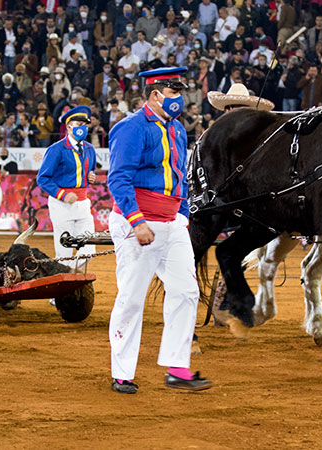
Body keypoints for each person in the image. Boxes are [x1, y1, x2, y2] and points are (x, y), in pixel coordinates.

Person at [107, 67, 213, 394]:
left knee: (185, 291)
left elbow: (180, 175)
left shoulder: (178, 129)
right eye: (173, 91)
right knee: (132, 298)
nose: (179, 97)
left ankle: (177, 367)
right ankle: (122, 372)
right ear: (155, 94)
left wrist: (182, 215)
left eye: (180, 90)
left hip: (171, 222)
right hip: (139, 221)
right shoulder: (130, 128)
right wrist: (136, 221)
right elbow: (118, 178)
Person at [37, 105, 98, 270]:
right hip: (62, 204)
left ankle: (69, 279)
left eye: (85, 124)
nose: (82, 128)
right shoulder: (56, 149)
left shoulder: (90, 149)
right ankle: (60, 294)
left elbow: (90, 170)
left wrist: (91, 176)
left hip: (83, 204)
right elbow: (42, 178)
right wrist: (62, 194)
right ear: (69, 127)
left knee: (88, 250)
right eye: (78, 124)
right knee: (64, 251)